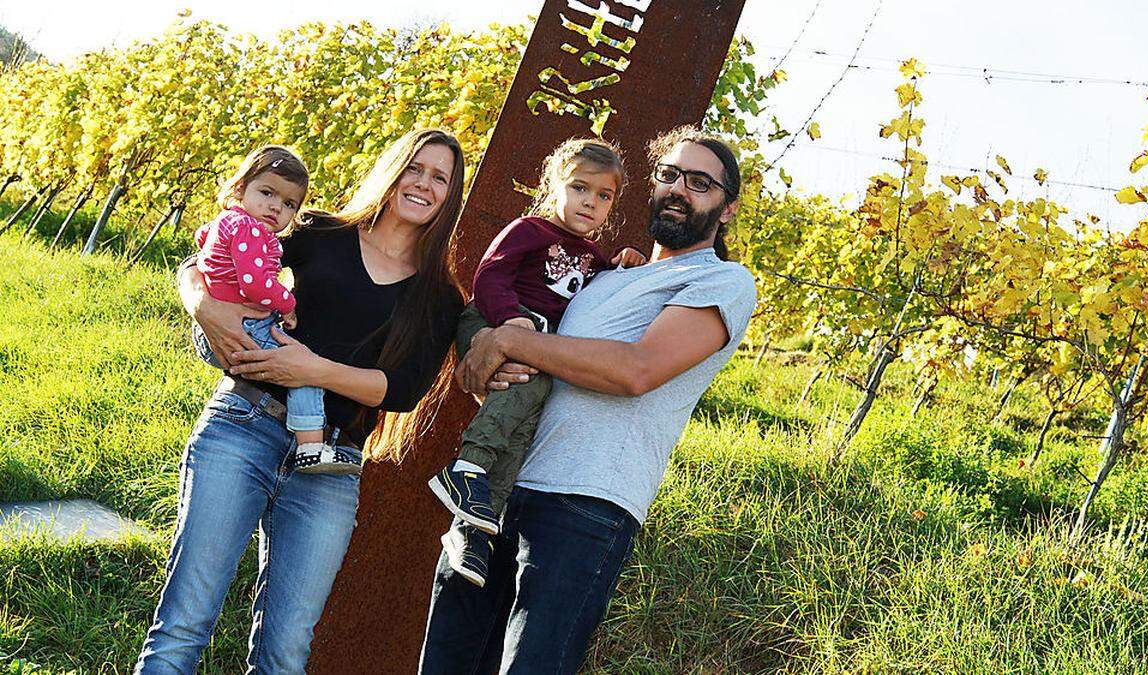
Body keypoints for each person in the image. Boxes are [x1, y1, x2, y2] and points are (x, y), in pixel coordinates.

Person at [419, 126, 758, 674]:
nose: (677, 189)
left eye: (699, 182)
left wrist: (508, 338)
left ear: (727, 208)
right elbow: (523, 352)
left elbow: (636, 370)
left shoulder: (722, 282)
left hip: (583, 505)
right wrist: (485, 363)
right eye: (668, 175)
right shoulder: (602, 275)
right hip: (497, 499)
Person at [136, 128, 467, 673]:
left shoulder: (439, 295)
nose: (423, 184)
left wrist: (312, 369)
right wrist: (201, 305)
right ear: (394, 170)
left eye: (440, 177)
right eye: (415, 168)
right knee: (184, 625)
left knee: (286, 653)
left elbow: (403, 390)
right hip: (245, 425)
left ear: (450, 195)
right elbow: (212, 255)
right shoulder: (320, 234)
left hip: (332, 465)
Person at [426, 138, 645, 587]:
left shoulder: (592, 257)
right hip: (490, 322)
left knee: (523, 429)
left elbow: (593, 291)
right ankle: (466, 467)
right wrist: (514, 322)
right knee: (528, 381)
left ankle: (472, 529)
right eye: (580, 188)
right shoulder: (530, 230)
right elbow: (490, 276)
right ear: (553, 187)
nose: (591, 202)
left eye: (604, 196)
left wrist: (623, 263)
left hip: (534, 344)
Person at [189, 144, 352, 474]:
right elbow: (254, 283)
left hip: (223, 326)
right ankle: (310, 447)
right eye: (267, 192)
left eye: (289, 203)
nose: (275, 207)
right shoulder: (248, 229)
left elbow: (200, 237)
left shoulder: (230, 222)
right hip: (243, 329)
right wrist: (288, 303)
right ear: (240, 188)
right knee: (304, 371)